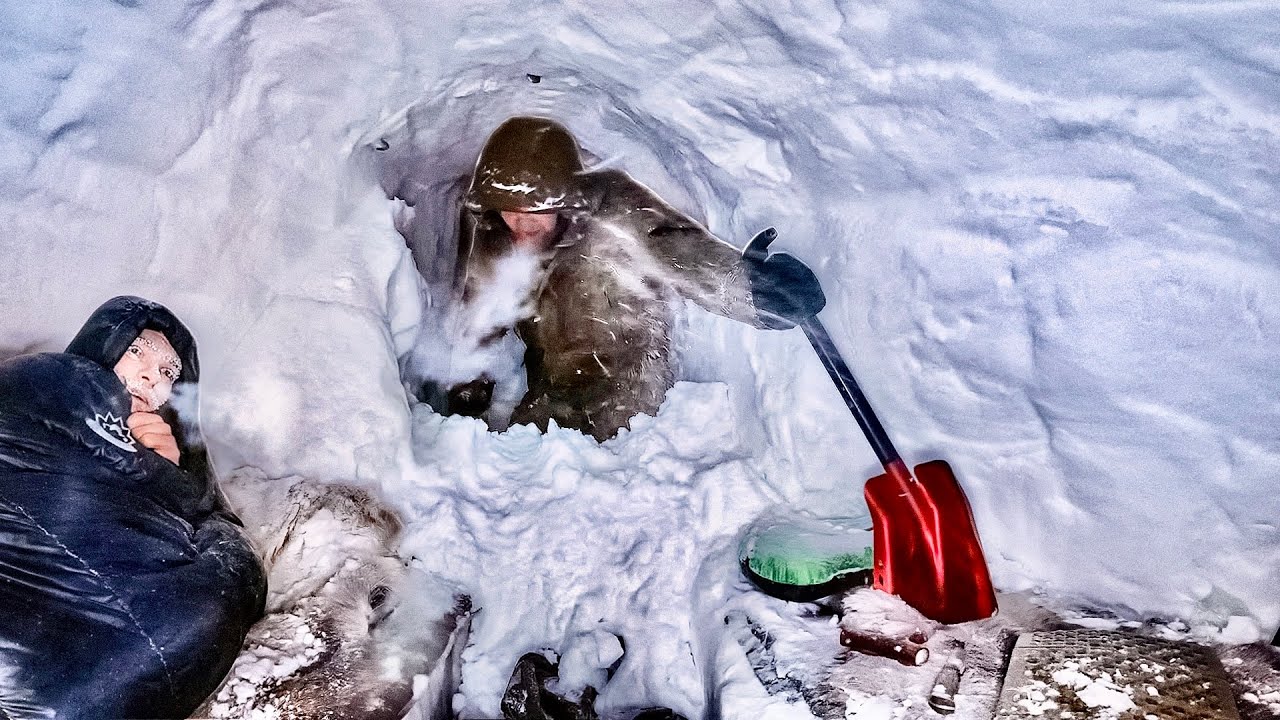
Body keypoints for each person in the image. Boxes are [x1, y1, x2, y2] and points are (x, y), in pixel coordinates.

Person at [447, 116, 825, 441]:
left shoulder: (613, 213)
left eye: (537, 210)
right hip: (551, 392)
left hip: (628, 392)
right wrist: (468, 391)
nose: (522, 222)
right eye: (510, 210)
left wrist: (751, 291)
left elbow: (680, 251)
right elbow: (481, 314)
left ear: (566, 199)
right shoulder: (497, 239)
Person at [0, 295, 266, 718]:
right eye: (136, 351)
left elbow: (199, 525)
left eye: (168, 372)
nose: (150, 374)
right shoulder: (41, 382)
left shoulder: (172, 451)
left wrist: (163, 472)